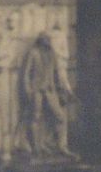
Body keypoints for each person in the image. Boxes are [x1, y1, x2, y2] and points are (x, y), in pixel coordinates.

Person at [19, 31, 75, 159]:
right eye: (45, 40)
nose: (47, 42)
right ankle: (37, 149)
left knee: (60, 117)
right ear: (40, 41)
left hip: (50, 90)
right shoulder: (33, 53)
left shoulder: (52, 54)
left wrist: (61, 91)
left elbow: (56, 74)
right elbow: (26, 74)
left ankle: (62, 147)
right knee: (35, 118)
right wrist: (28, 90)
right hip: (36, 90)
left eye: (48, 40)